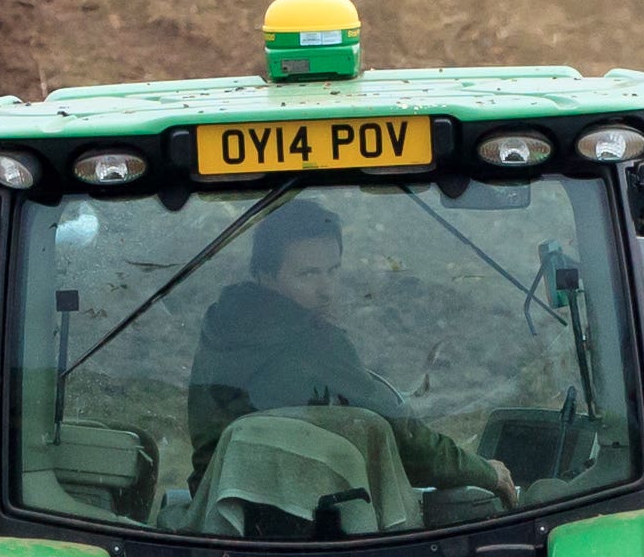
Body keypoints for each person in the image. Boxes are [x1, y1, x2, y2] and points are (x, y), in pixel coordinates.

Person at [187, 201, 514, 501]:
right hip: (291, 514)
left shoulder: (223, 327)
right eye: (308, 274)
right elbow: (404, 440)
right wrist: (486, 472)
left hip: (221, 510)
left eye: (333, 270)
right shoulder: (312, 341)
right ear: (265, 276)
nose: (326, 289)